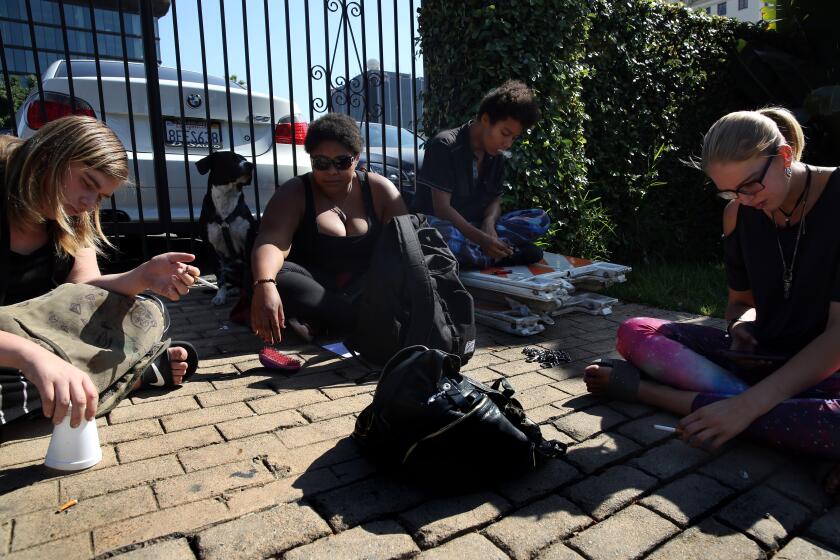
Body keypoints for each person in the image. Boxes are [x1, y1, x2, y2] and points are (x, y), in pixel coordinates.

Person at [583, 107, 840, 495]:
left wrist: (747, 407)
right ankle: (786, 425)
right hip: (764, 360)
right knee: (636, 331)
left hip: (828, 372)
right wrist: (740, 328)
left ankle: (658, 394)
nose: (744, 199)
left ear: (785, 156)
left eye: (750, 185)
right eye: (730, 190)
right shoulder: (737, 214)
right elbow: (740, 303)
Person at [0, 116, 200, 429]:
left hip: (46, 338)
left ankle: (75, 385)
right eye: (87, 183)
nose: (89, 203)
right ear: (48, 156)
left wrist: (144, 276)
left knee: (146, 309)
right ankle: (129, 374)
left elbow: (85, 291)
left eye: (101, 197)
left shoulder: (73, 215)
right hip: (15, 350)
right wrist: (31, 357)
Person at [250, 112, 407, 344]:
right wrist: (265, 284)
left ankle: (325, 320)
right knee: (275, 277)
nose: (332, 171)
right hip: (312, 283)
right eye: (321, 163)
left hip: (366, 285)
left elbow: (407, 244)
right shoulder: (294, 192)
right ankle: (356, 321)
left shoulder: (380, 190)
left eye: (342, 162)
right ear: (311, 159)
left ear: (356, 157)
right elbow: (272, 242)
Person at [412, 79, 549, 269]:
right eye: (505, 133)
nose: (508, 143)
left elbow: (494, 201)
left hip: (475, 228)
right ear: (485, 119)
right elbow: (442, 209)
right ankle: (498, 255)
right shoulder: (444, 145)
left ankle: (484, 255)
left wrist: (489, 224)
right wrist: (483, 240)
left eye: (513, 138)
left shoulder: (496, 154)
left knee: (539, 218)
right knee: (440, 237)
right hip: (442, 227)